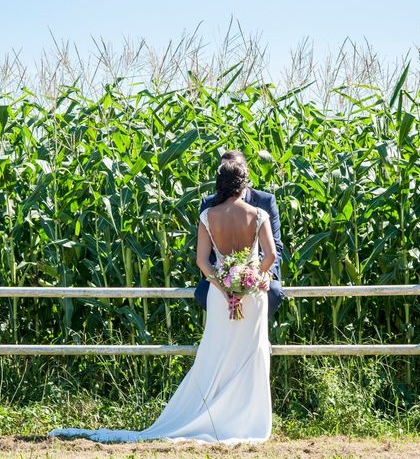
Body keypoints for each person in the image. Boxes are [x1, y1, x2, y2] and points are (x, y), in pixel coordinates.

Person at [49, 158, 276, 443]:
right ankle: (245, 420)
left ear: (219, 184)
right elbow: (271, 256)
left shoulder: (208, 216)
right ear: (244, 184)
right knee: (248, 354)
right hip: (252, 297)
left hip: (221, 297)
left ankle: (210, 414)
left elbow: (202, 261)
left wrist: (223, 285)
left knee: (216, 353)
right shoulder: (258, 215)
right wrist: (251, 278)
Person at [195, 150, 284, 318]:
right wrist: (225, 278)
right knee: (201, 293)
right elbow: (206, 253)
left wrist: (265, 273)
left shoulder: (265, 200)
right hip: (221, 272)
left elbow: (276, 246)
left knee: (274, 291)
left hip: (258, 271)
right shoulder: (209, 204)